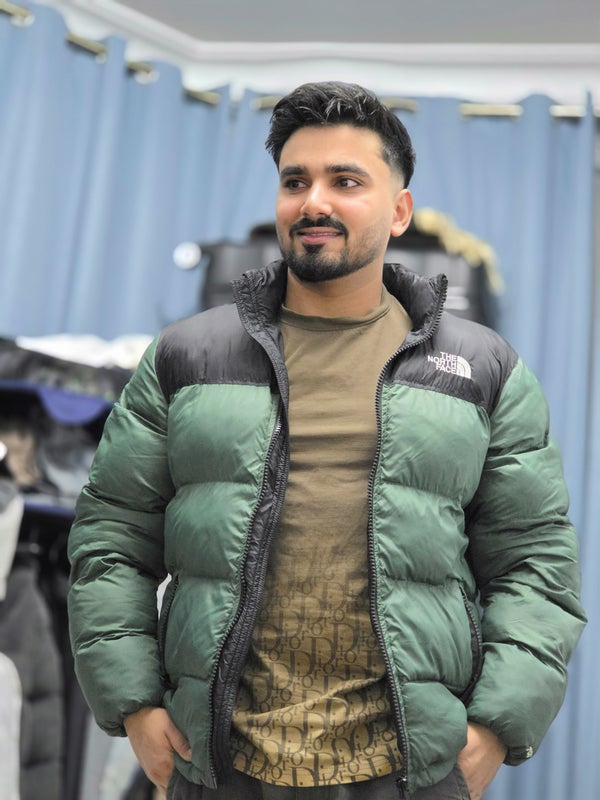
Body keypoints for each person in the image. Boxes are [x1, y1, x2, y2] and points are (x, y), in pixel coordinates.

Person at [67, 82, 586, 800]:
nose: (314, 202)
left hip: (406, 770)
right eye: (295, 181)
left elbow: (535, 563)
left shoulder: (484, 368)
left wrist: (495, 726)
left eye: (346, 181)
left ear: (399, 210)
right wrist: (133, 706)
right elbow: (111, 539)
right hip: (220, 765)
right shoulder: (187, 356)